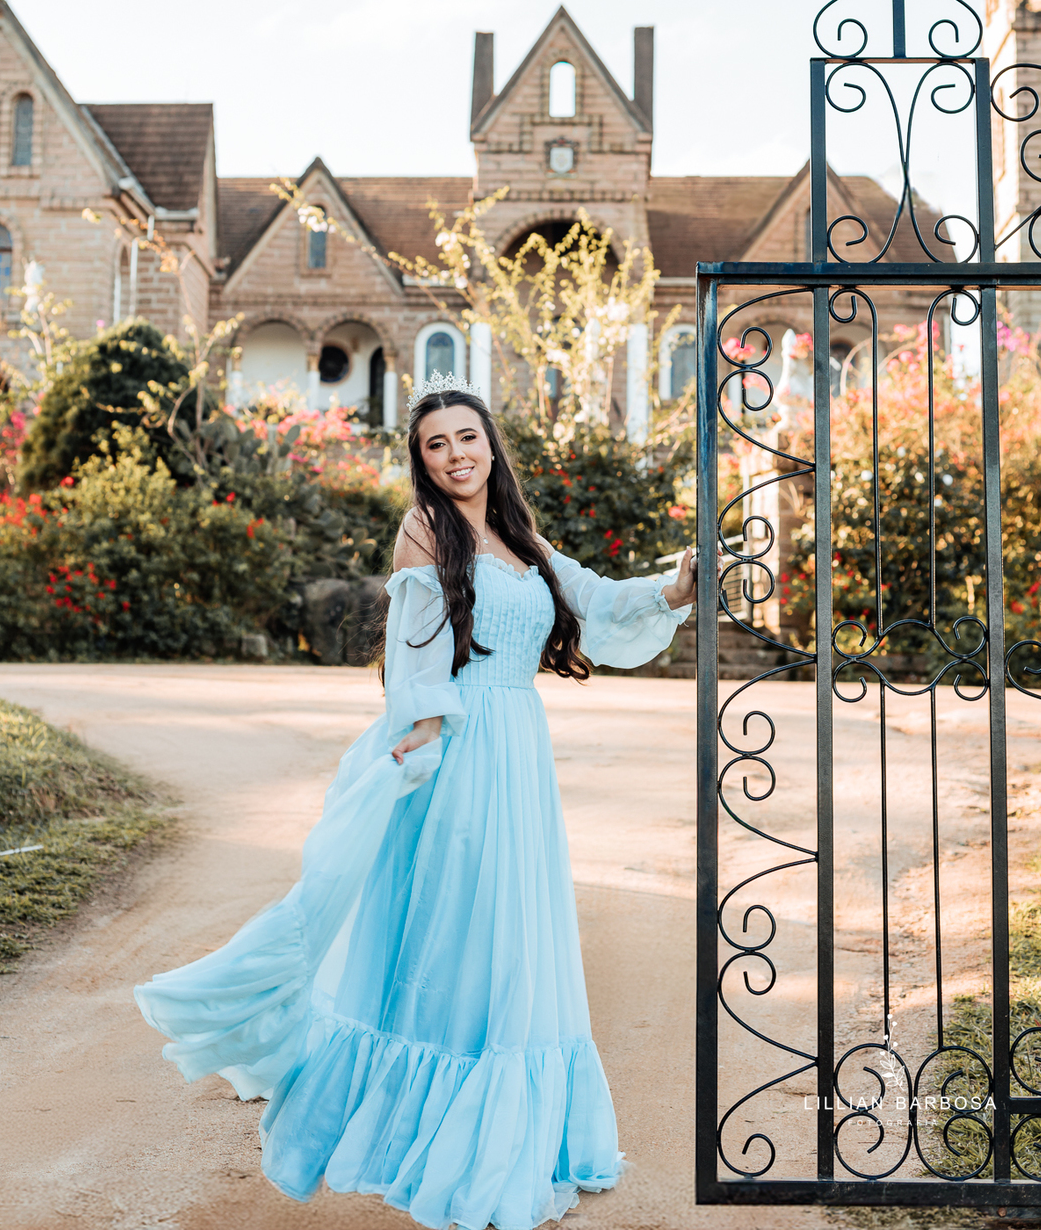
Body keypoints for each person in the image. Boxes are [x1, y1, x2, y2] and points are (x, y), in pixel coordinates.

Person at [135, 375, 700, 1230]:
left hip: (522, 753)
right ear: (421, 459)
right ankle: (444, 1135)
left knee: (521, 933)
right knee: (468, 934)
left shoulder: (519, 534)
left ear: (490, 443)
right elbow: (417, 652)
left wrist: (675, 587)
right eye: (436, 444)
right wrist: (424, 728)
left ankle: (523, 1135)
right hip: (465, 753)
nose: (454, 455)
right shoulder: (423, 531)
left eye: (466, 437)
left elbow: (593, 598)